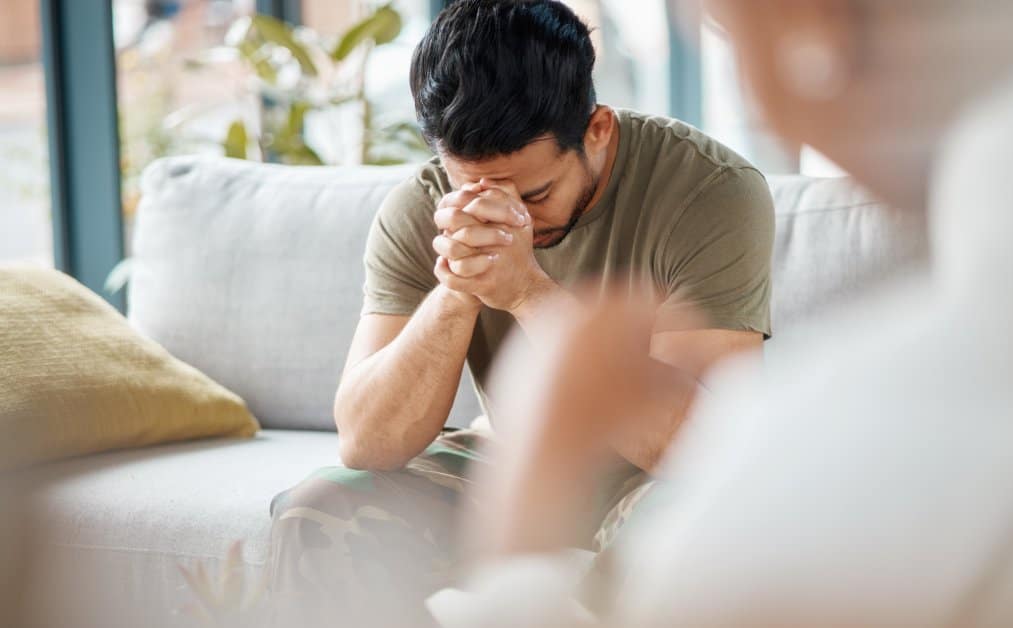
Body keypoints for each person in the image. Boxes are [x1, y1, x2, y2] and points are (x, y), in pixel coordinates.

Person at [442, 1, 1013, 626]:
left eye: (721, 28)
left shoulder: (817, 475)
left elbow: (702, 455)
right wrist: (460, 285)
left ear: (811, 29)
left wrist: (528, 518)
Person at [265, 0, 774, 624]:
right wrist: (460, 285)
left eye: (536, 194)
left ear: (597, 130)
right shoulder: (418, 208)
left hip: (650, 478)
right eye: (474, 190)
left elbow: (703, 448)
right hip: (508, 459)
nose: (510, 219)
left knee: (683, 526)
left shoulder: (709, 191)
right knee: (317, 509)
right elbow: (366, 442)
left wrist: (527, 291)